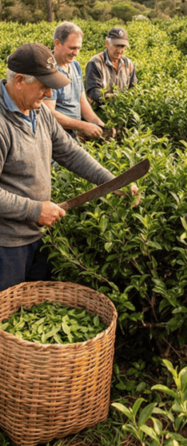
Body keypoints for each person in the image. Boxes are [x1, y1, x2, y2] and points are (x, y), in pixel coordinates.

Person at [1, 43, 115, 291]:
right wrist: (34, 210)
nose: (50, 95)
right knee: (5, 315)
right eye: (44, 87)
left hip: (39, 236)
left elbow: (70, 152)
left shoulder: (38, 111)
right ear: (19, 80)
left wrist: (112, 182)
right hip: (6, 245)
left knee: (33, 314)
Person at [43, 22, 105, 140]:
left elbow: (82, 101)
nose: (76, 53)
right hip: (55, 137)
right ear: (57, 44)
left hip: (72, 135)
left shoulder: (75, 65)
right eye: (72, 48)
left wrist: (98, 123)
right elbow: (49, 113)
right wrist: (83, 126)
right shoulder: (49, 71)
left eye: (78, 48)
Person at [85, 26, 137, 102]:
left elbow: (133, 88)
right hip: (101, 111)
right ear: (107, 43)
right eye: (116, 45)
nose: (119, 51)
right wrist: (114, 98)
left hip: (123, 109)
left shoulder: (128, 64)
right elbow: (93, 92)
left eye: (122, 46)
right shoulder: (95, 63)